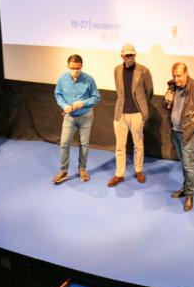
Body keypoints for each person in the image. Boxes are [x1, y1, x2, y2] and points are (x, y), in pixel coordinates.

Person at [162, 62, 194, 211]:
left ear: (186, 73)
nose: (176, 79)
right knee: (184, 163)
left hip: (189, 133)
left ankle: (190, 195)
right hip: (175, 131)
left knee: (188, 165)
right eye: (174, 75)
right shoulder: (172, 86)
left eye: (178, 75)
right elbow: (165, 105)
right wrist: (167, 101)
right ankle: (186, 188)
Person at [108, 43, 154, 187]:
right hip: (120, 113)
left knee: (138, 144)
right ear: (122, 55)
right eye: (127, 55)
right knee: (120, 146)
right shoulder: (117, 70)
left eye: (132, 55)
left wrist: (142, 106)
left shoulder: (143, 70)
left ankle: (138, 170)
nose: (129, 57)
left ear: (135, 54)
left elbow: (150, 91)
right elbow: (119, 91)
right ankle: (119, 174)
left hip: (137, 114)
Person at [52, 54, 101, 184]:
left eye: (77, 68)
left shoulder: (89, 79)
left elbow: (96, 97)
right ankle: (63, 171)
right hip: (69, 117)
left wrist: (83, 103)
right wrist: (64, 105)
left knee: (84, 144)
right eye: (72, 68)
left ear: (81, 66)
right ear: (68, 66)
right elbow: (58, 94)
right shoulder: (62, 79)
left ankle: (82, 170)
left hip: (85, 116)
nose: (75, 71)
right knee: (64, 144)